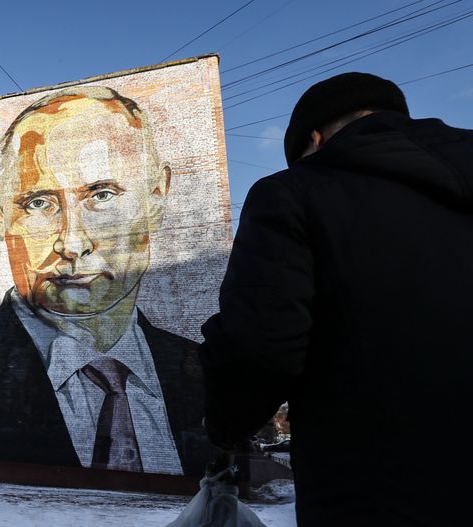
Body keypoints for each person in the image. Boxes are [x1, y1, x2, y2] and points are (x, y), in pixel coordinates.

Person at [199, 72, 473, 525]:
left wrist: (226, 426)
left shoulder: (291, 195)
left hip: (379, 491)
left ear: (315, 139)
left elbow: (262, 345)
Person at [0, 86, 211, 476]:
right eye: (38, 203)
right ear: (0, 215)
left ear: (156, 198)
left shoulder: (201, 371)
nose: (72, 243)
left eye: (102, 195)